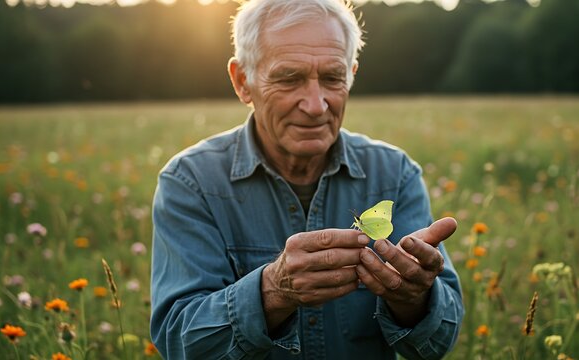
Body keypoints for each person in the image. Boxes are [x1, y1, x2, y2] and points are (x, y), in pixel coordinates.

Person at [150, 0, 464, 359]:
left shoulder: (395, 173)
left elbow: (438, 344)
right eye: (289, 78)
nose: (316, 105)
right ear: (243, 82)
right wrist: (272, 291)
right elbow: (180, 342)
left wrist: (414, 298)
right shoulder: (190, 182)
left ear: (352, 74)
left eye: (332, 78)